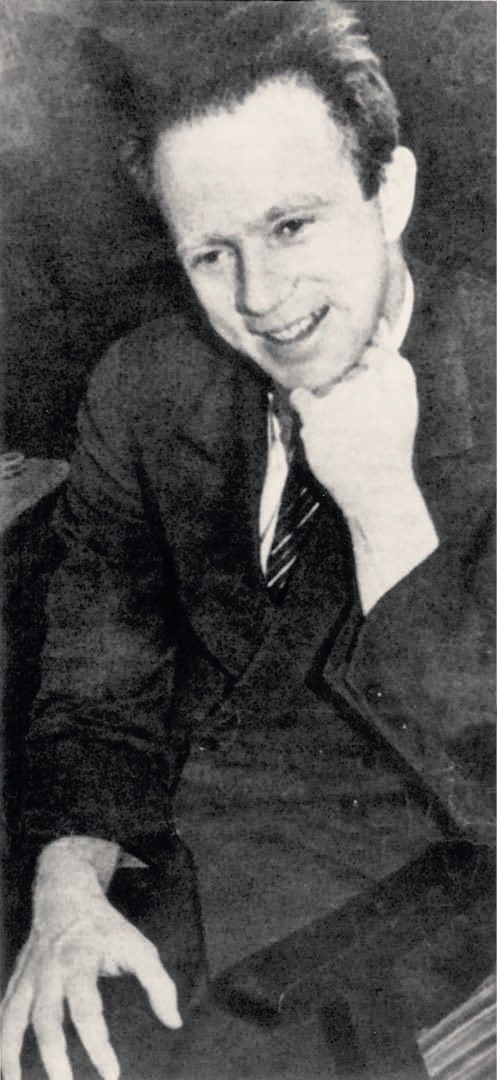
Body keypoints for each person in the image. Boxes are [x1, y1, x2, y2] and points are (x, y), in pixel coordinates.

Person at [1, 2, 494, 1078]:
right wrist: (68, 884)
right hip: (134, 846)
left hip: (377, 912)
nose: (260, 299)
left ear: (389, 192)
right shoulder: (146, 384)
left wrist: (384, 510)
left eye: (291, 226)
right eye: (211, 253)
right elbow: (97, 683)